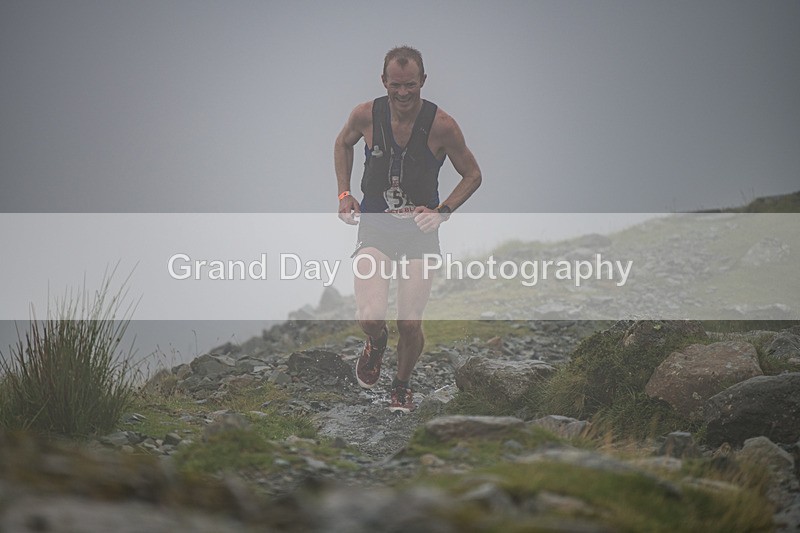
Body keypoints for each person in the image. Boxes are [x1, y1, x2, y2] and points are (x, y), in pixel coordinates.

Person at [334, 46, 481, 412]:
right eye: (395, 85)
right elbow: (342, 143)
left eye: (410, 86)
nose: (402, 93)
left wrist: (443, 211)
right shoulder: (366, 115)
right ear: (384, 81)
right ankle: (377, 341)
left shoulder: (442, 125)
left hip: (419, 229)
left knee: (410, 322)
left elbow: (473, 175)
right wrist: (344, 193)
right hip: (376, 223)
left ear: (423, 82)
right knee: (370, 317)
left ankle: (401, 385)